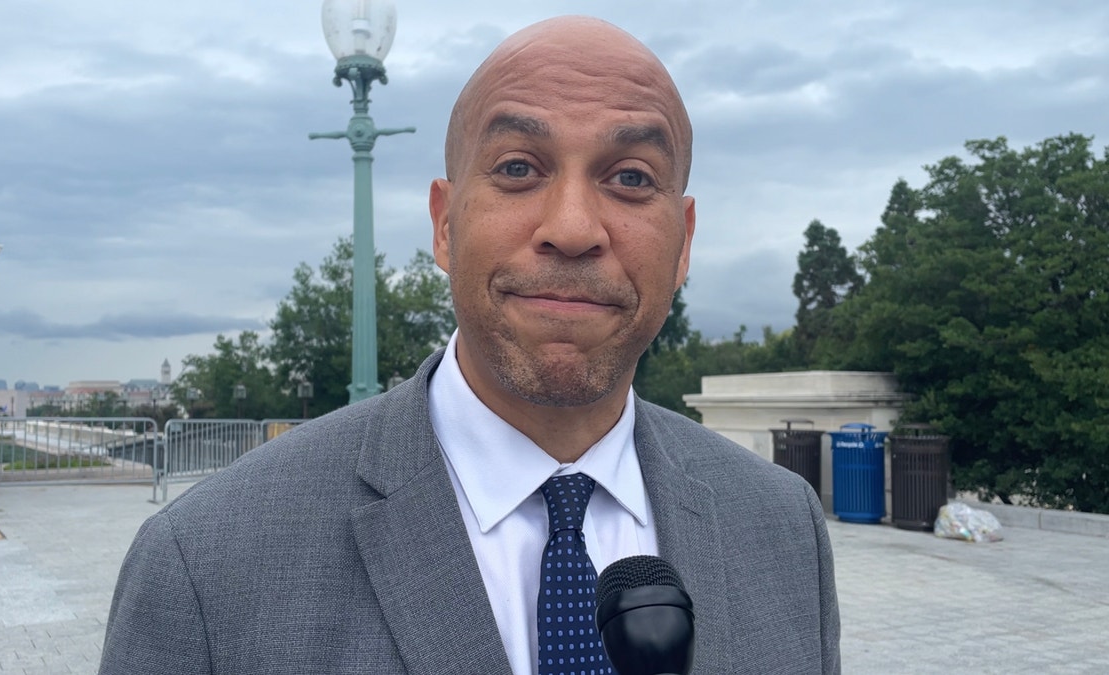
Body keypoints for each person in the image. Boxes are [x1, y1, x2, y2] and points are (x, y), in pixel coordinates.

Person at [100, 15, 840, 675]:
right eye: (519, 168)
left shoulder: (783, 528)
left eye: (630, 177)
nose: (574, 227)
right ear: (444, 225)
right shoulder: (207, 563)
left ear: (683, 245)